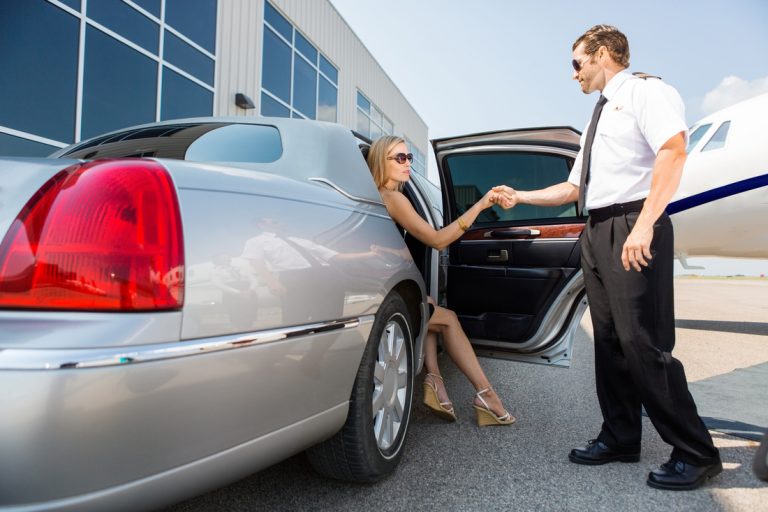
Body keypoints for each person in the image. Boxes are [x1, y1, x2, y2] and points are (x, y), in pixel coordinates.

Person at [493, 25, 721, 489]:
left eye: (576, 62)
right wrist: (521, 197)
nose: (572, 73)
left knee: (644, 343)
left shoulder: (645, 92)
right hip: (597, 227)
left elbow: (673, 152)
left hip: (634, 222)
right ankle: (620, 436)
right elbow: (574, 188)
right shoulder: (599, 115)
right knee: (611, 342)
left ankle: (697, 451)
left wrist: (643, 225)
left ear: (601, 55)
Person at [367, 135, 514, 427]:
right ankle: (486, 395)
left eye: (409, 157)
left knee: (430, 306)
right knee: (448, 320)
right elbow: (436, 240)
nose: (407, 163)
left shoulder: (383, 197)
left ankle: (435, 383)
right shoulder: (392, 197)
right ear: (381, 162)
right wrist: (481, 206)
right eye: (399, 158)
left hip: (383, 289)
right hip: (383, 297)